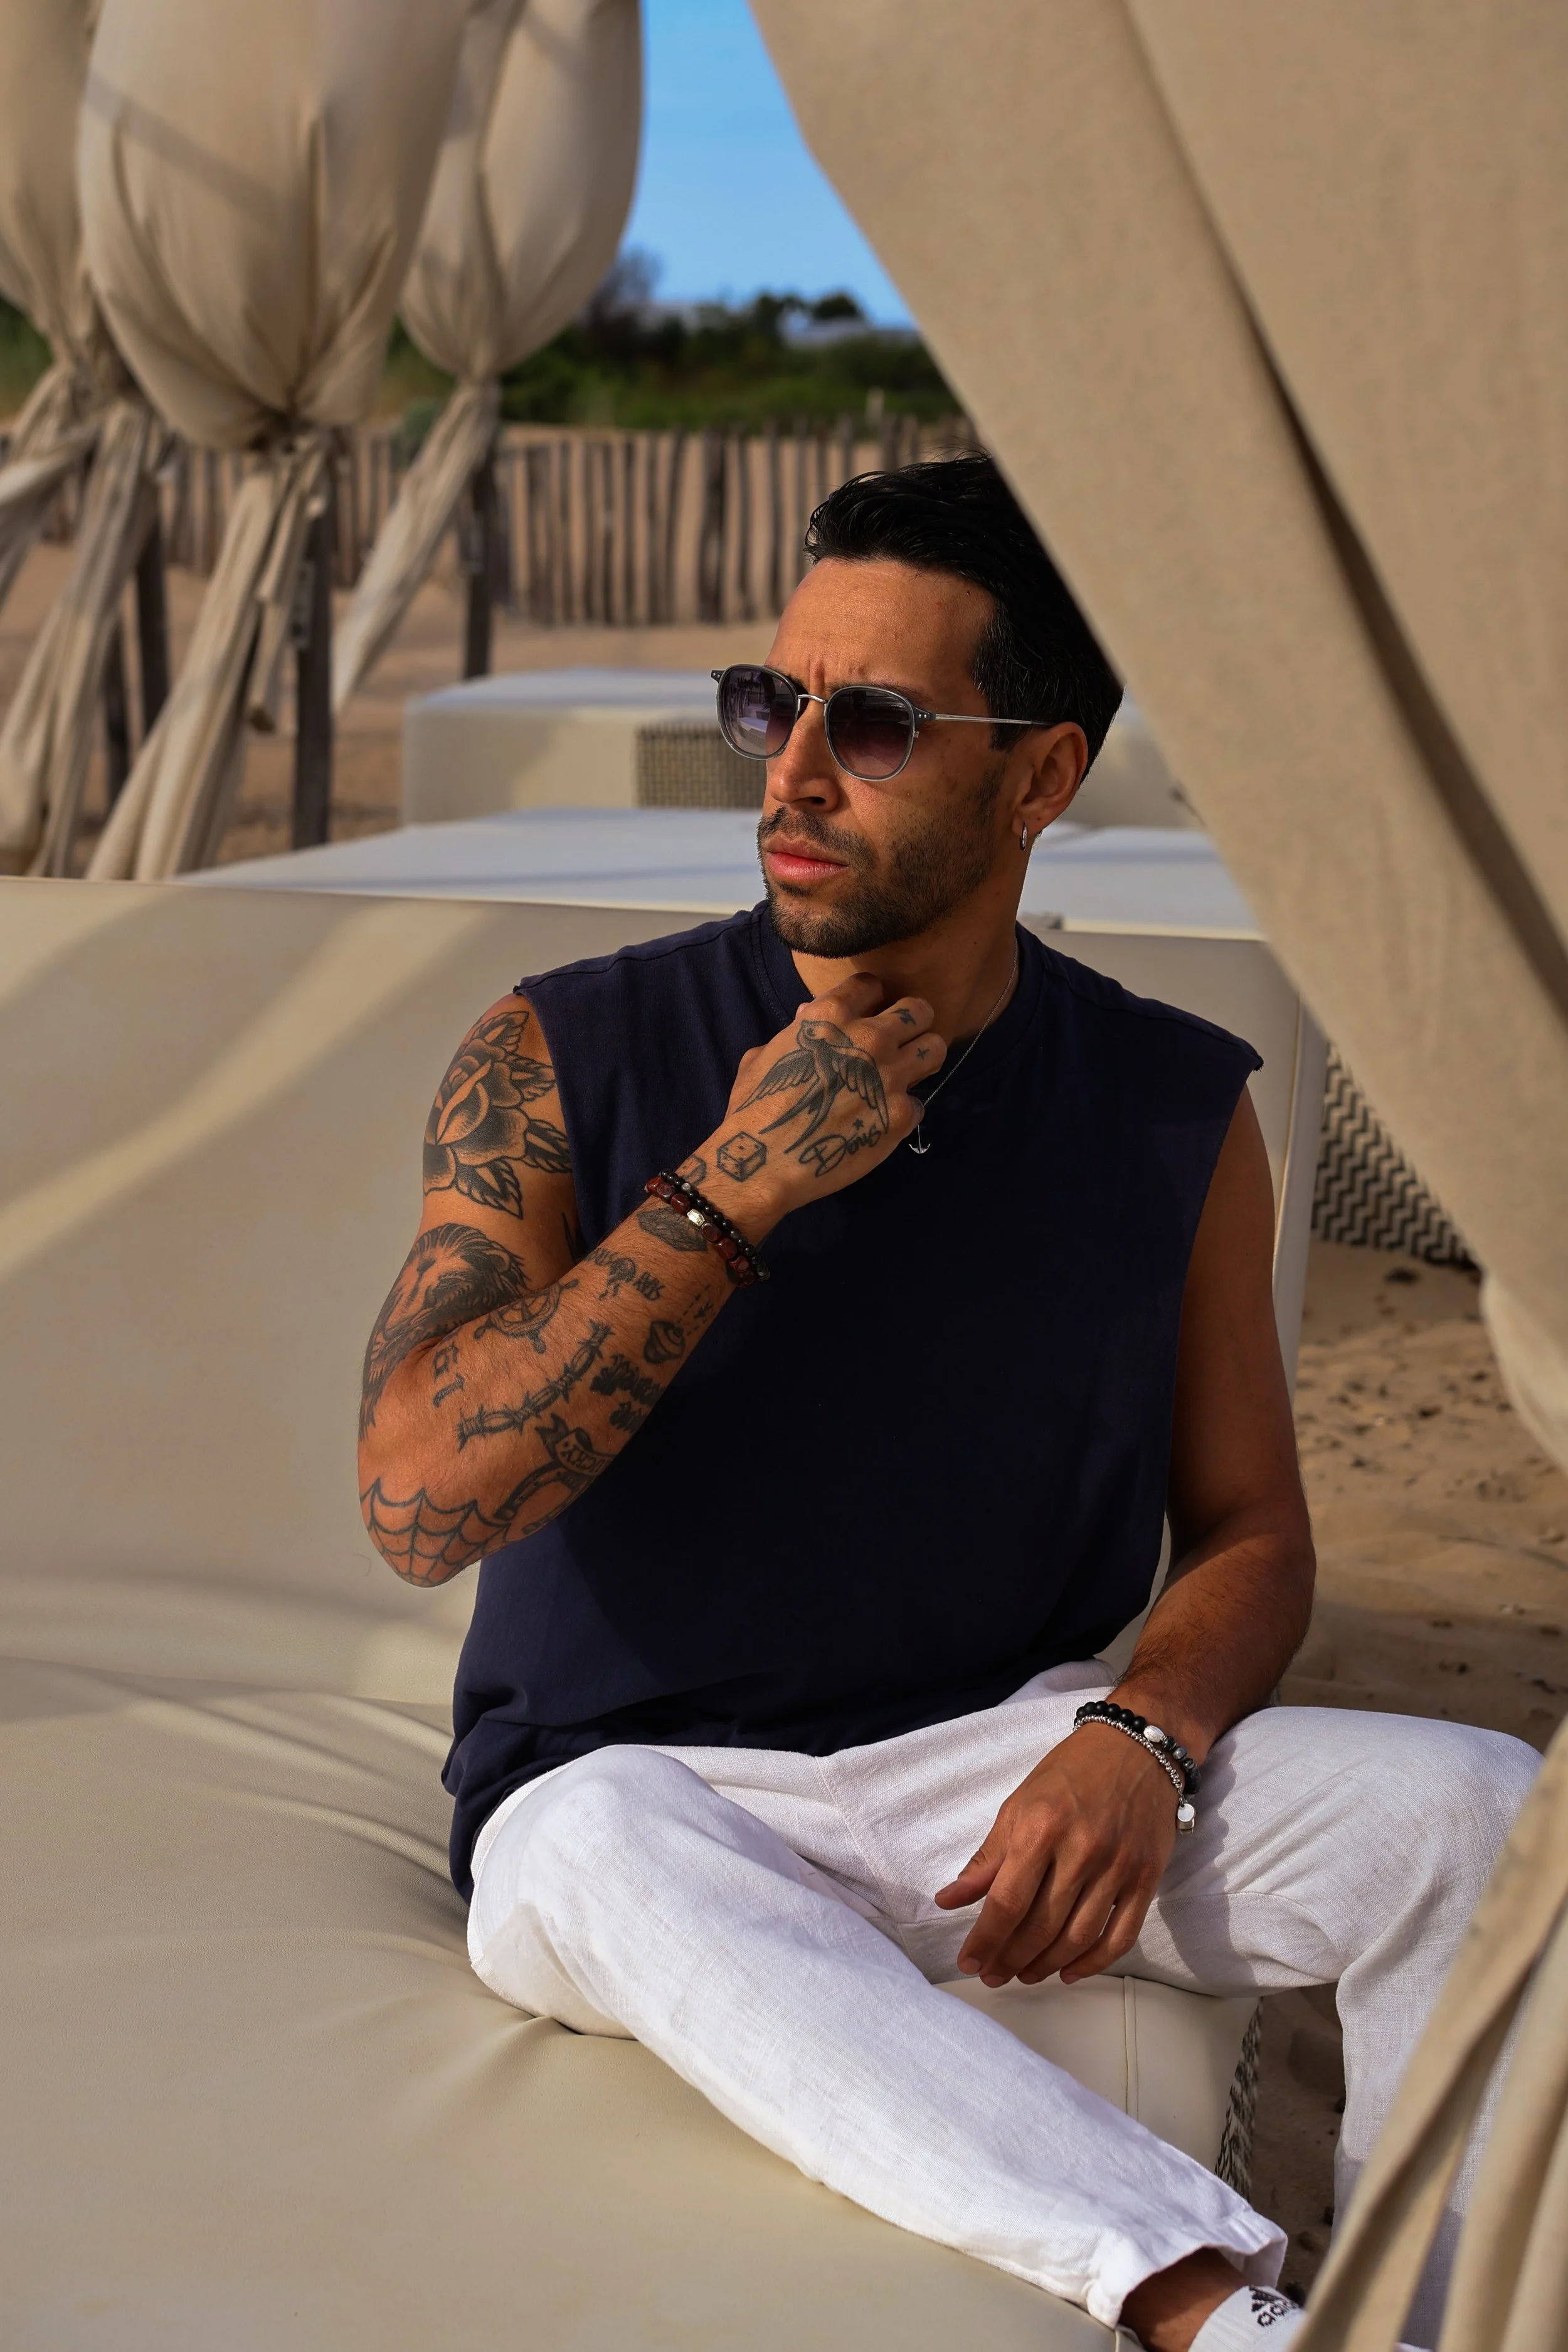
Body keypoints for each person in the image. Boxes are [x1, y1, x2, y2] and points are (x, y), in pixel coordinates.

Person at [357, 457, 1534, 2351]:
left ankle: (1432, 2321)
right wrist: (726, 1191)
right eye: (773, 704)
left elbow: (1252, 1531)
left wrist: (1142, 1735)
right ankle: (1207, 2302)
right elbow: (416, 1500)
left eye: (876, 725)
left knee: (1480, 1816)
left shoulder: (1170, 1109)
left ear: (1042, 777)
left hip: (991, 1779)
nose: (793, 775)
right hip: (640, 1801)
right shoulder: (567, 1048)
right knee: (586, 1845)